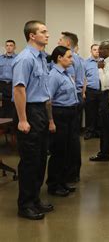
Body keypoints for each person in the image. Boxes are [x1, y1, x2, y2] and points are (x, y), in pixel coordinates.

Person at [12, 20, 54, 220]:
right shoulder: (25, 58)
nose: (47, 34)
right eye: (43, 31)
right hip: (28, 111)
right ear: (32, 35)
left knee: (39, 159)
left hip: (40, 111)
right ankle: (25, 204)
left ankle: (35, 199)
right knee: (29, 161)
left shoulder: (42, 58)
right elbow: (19, 89)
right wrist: (22, 119)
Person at [46, 46, 79, 197]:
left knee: (67, 151)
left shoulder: (66, 74)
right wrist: (51, 121)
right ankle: (53, 184)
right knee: (58, 152)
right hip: (60, 115)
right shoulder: (54, 75)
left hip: (71, 114)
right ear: (59, 58)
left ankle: (62, 181)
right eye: (69, 56)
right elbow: (48, 100)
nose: (71, 59)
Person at [57, 31, 85, 184]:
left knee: (70, 140)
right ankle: (73, 173)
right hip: (77, 98)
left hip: (71, 100)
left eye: (60, 40)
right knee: (73, 138)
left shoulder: (70, 61)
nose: (57, 41)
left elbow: (71, 81)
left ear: (68, 44)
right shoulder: (79, 58)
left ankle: (71, 174)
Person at [84, 44, 101, 140]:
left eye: (98, 50)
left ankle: (98, 131)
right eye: (94, 49)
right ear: (91, 51)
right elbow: (84, 78)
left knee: (100, 113)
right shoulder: (86, 63)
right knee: (90, 112)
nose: (97, 51)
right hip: (90, 90)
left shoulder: (103, 62)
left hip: (101, 90)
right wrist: (83, 92)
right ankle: (89, 131)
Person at [0, 39, 17, 117]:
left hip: (13, 84)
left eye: (11, 45)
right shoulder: (0, 58)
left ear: (14, 47)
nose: (9, 47)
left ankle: (11, 124)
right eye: (7, 45)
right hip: (2, 84)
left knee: (12, 106)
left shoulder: (18, 58)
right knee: (3, 107)